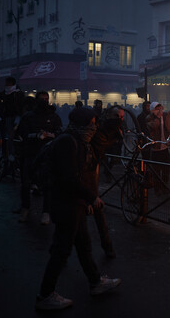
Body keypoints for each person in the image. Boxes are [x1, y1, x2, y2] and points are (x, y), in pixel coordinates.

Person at [35, 107, 121, 310]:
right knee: (61, 250)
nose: (95, 127)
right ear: (82, 124)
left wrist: (86, 200)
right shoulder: (68, 142)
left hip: (74, 203)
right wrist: (91, 197)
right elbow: (69, 179)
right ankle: (45, 295)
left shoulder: (79, 141)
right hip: (66, 204)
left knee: (83, 245)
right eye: (91, 123)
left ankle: (95, 282)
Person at [16, 91, 63, 224]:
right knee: (26, 183)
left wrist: (51, 135)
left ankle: (46, 212)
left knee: (48, 185)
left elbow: (59, 132)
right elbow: (22, 134)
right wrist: (36, 136)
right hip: (31, 153)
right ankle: (25, 208)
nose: (44, 101)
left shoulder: (54, 117)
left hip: (47, 156)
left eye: (46, 99)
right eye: (42, 99)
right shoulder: (28, 117)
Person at [89, 105, 125, 258]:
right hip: (86, 177)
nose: (120, 120)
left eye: (122, 117)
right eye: (117, 116)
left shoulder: (112, 130)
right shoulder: (98, 132)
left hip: (91, 176)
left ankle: (108, 247)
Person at [146, 100, 170, 184]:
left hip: (165, 147)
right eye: (157, 109)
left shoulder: (165, 116)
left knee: (166, 169)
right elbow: (153, 127)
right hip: (156, 148)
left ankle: (165, 186)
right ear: (152, 110)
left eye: (160, 108)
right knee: (156, 170)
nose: (160, 110)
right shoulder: (149, 118)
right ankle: (157, 188)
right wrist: (158, 118)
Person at [0, 77, 25, 163]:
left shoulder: (18, 94)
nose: (5, 84)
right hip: (6, 117)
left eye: (7, 82)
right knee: (8, 136)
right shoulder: (5, 94)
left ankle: (10, 154)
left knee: (10, 135)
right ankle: (8, 154)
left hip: (13, 116)